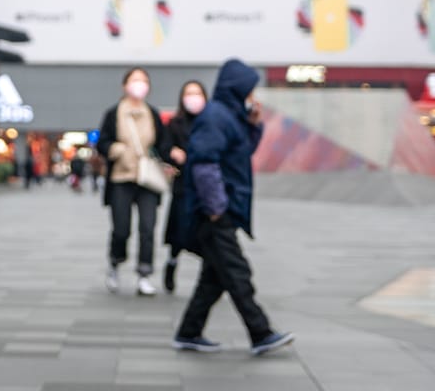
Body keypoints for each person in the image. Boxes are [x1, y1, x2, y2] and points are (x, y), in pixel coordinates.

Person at [171, 59, 294, 357]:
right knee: (237, 272)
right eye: (249, 90)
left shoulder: (229, 117)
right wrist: (216, 208)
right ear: (237, 88)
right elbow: (203, 164)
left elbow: (239, 154)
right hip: (214, 214)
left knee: (213, 279)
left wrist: (253, 127)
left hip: (222, 210)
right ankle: (260, 332)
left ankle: (189, 332)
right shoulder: (216, 117)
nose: (253, 96)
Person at [96, 68, 168, 297]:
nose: (140, 85)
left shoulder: (152, 114)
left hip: (147, 178)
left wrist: (169, 157)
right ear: (124, 85)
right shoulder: (114, 113)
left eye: (144, 81)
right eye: (135, 80)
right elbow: (102, 141)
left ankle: (144, 274)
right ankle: (115, 263)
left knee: (147, 227)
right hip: (121, 177)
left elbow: (163, 143)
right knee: (121, 228)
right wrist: (114, 149)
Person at [159, 80, 207, 294]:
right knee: (179, 231)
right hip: (182, 185)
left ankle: (209, 273)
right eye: (189, 93)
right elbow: (164, 147)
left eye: (197, 93)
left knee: (205, 233)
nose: (193, 97)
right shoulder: (175, 123)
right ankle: (171, 263)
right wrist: (172, 154)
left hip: (205, 187)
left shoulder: (210, 123)